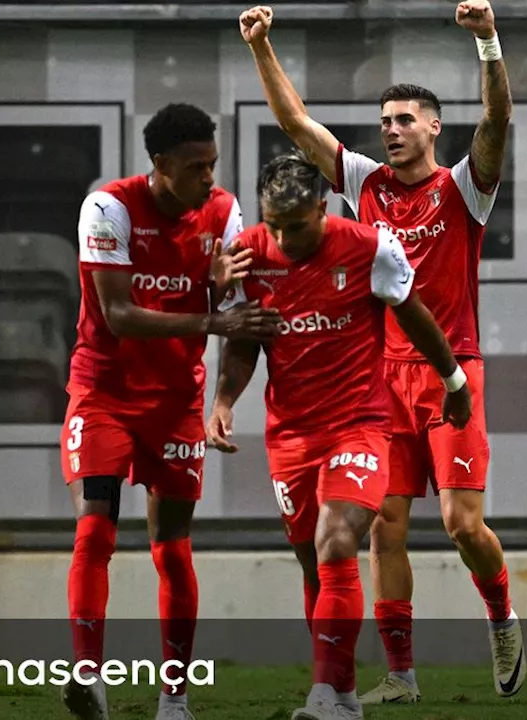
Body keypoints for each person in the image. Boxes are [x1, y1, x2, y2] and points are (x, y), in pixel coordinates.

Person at [237, 0, 525, 704]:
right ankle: (401, 675)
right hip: (377, 381)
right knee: (383, 530)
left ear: (433, 127)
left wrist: (487, 40)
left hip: (452, 369)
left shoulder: (463, 189)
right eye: (386, 121)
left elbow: (498, 123)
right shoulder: (363, 182)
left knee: (462, 524)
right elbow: (297, 127)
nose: (392, 130)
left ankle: (501, 617)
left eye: (405, 120)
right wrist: (260, 48)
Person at [206, 151, 471, 720]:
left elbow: (416, 313)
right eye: (274, 224)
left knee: (337, 538)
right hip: (291, 435)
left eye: (295, 226)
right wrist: (224, 400)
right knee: (314, 563)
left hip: (360, 425)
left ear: (322, 209)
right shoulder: (250, 254)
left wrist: (453, 379)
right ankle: (344, 693)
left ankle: (323, 694)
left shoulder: (370, 248)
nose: (284, 237)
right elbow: (245, 341)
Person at [60, 102, 282, 720]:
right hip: (104, 391)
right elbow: (118, 315)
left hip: (177, 400)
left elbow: (239, 311)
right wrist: (211, 311)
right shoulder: (108, 208)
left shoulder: (224, 212)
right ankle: (88, 677)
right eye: (194, 168)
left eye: (212, 165)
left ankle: (174, 699)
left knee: (172, 548)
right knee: (96, 527)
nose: (208, 179)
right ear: (159, 165)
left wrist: (222, 395)